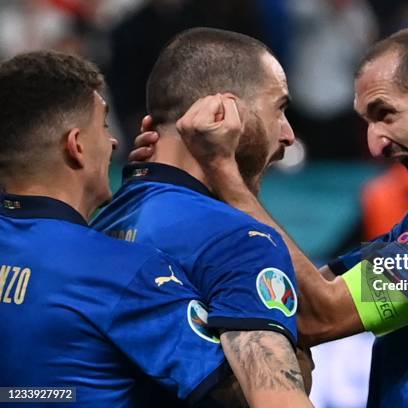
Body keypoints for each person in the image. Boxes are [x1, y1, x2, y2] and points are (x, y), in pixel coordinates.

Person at [133, 25, 408, 407]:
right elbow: (305, 298)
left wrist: (224, 175)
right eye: (367, 121)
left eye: (386, 114)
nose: (375, 144)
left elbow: (323, 315)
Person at [0, 50, 246, 407]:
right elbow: (244, 394)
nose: (114, 141)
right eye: (103, 125)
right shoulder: (124, 272)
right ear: (76, 145)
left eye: (363, 115)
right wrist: (225, 169)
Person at [92, 28, 313, 408]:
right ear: (224, 112)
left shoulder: (94, 225)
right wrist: (301, 358)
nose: (288, 134)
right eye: (279, 108)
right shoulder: (241, 241)